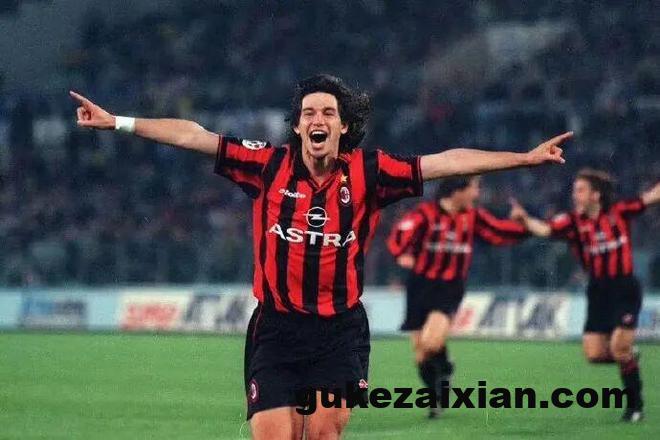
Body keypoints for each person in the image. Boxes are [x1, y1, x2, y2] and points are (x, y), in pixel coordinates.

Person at [71, 74, 571, 440]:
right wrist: (119, 122)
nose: (318, 119)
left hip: (339, 332)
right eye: (309, 112)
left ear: (343, 125)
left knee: (324, 433)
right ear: (296, 125)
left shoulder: (371, 172)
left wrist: (523, 158)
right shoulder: (266, 165)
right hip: (276, 330)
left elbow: (446, 161)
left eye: (328, 113)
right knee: (276, 435)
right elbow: (193, 135)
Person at [510, 168, 660, 423]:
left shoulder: (620, 211)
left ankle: (635, 407)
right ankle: (629, 357)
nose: (574, 195)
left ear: (595, 195)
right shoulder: (572, 222)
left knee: (619, 346)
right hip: (598, 291)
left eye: (580, 190)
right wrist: (524, 220)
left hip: (624, 288)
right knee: (594, 354)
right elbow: (545, 230)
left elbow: (651, 196)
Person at [386, 176, 528, 418]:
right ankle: (436, 395)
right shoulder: (425, 214)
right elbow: (399, 235)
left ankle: (445, 369)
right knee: (420, 354)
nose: (477, 194)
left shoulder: (473, 217)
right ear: (457, 190)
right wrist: (401, 254)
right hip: (419, 287)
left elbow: (498, 232)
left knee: (431, 343)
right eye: (474, 188)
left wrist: (523, 225)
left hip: (449, 287)